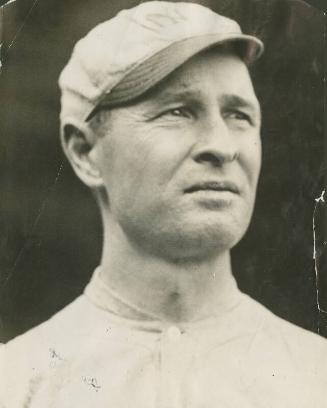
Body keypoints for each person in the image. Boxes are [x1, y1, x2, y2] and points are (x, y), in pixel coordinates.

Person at [0, 2, 326, 407]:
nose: (222, 147)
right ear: (85, 151)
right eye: (178, 111)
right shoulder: (17, 383)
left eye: (239, 115)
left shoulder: (315, 375)